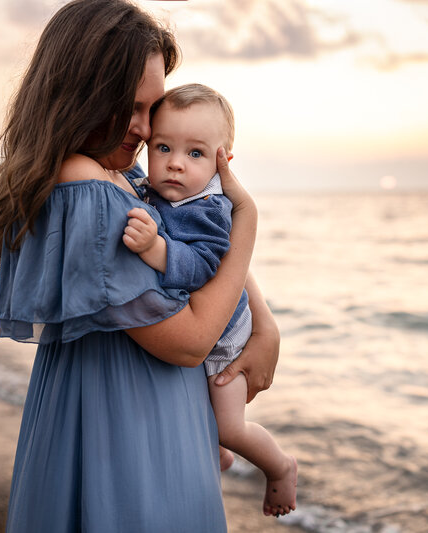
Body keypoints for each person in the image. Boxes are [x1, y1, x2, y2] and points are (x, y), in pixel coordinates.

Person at [0, 1, 280, 531]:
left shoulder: (120, 178)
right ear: (81, 94)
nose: (144, 129)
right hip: (127, 422)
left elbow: (194, 238)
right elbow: (189, 343)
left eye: (151, 109)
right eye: (131, 108)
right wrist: (248, 218)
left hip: (142, 409)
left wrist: (265, 319)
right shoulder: (86, 185)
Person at [123, 83, 297, 517]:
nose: (176, 164)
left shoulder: (209, 208)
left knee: (230, 424)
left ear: (223, 163)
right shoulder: (156, 191)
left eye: (196, 154)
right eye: (163, 147)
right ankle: (217, 451)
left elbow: (204, 264)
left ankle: (279, 467)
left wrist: (155, 250)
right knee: (203, 414)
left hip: (226, 342)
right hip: (203, 326)